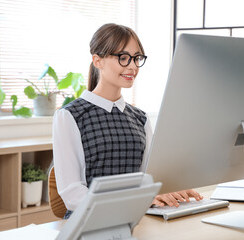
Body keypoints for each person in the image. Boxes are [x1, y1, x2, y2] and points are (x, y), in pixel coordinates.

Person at [53, 23, 203, 219]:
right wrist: (132, 201)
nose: (132, 66)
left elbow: (149, 179)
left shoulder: (140, 117)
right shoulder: (70, 115)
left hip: (134, 220)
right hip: (88, 223)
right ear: (97, 60)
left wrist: (171, 191)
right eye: (123, 58)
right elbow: (73, 195)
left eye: (136, 58)